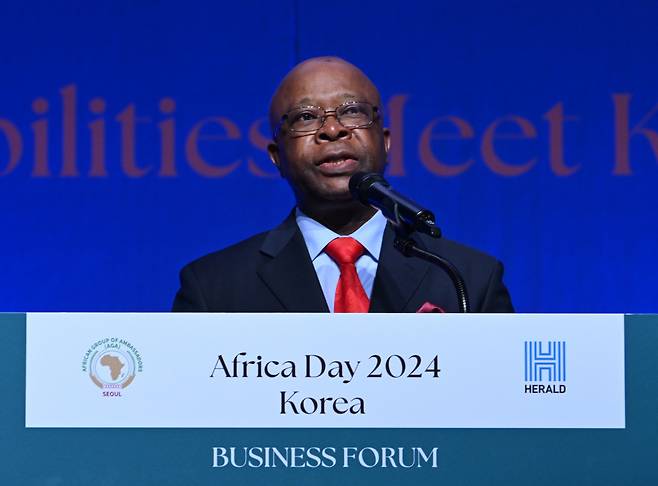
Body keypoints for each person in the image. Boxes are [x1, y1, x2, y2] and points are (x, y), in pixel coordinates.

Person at [172, 57, 513, 313]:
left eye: (351, 111)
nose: (332, 129)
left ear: (386, 142)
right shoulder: (213, 290)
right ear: (276, 156)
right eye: (306, 117)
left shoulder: (468, 279)